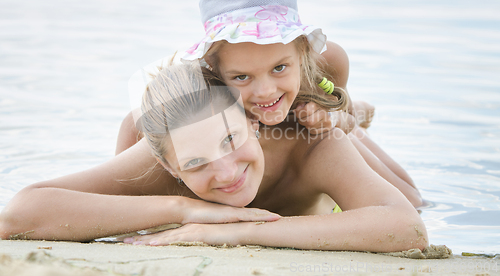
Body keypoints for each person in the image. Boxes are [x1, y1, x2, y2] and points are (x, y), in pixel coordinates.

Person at [0, 62, 428, 252]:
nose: (227, 173)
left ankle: (352, 110)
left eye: (230, 140)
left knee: (414, 193)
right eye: (194, 164)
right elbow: (18, 216)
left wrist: (235, 233)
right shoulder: (156, 158)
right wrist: (183, 208)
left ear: (253, 121)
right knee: (135, 124)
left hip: (309, 126)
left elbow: (408, 225)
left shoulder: (313, 146)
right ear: (168, 166)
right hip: (162, 130)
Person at [117, 0, 422, 207]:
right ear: (214, 67)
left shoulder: (329, 61)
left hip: (319, 114)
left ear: (302, 51)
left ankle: (360, 114)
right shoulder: (205, 90)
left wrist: (337, 119)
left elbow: (334, 107)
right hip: (298, 111)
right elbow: (135, 126)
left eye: (279, 68)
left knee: (403, 191)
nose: (264, 91)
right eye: (241, 77)